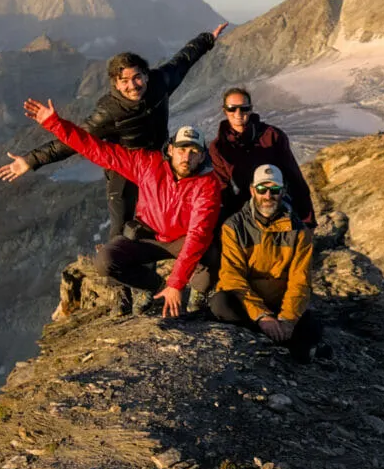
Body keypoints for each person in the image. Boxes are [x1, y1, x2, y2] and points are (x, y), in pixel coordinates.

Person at [0, 24, 228, 237]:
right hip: (122, 168)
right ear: (115, 84)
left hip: (157, 165)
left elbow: (183, 60)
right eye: (124, 81)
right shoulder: (108, 111)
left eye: (137, 77)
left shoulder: (160, 82)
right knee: (121, 226)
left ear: (146, 75)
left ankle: (148, 271)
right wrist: (31, 160)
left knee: (153, 221)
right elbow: (77, 141)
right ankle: (118, 270)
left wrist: (207, 39)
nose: (132, 85)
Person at [24, 97, 221, 317]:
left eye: (194, 152)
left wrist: (177, 283)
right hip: (149, 235)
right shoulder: (148, 164)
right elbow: (99, 151)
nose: (187, 157)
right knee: (106, 261)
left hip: (180, 240)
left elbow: (197, 234)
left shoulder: (208, 184)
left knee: (210, 251)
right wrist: (55, 124)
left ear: (202, 156)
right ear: (171, 150)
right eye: (182, 149)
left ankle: (197, 295)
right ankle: (154, 287)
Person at [209, 163, 327, 363]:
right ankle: (273, 337)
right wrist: (262, 316)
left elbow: (300, 280)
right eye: (262, 189)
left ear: (283, 192)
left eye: (274, 190)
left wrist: (287, 320)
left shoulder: (299, 232)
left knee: (312, 326)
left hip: (278, 303)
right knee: (221, 303)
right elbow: (232, 277)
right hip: (247, 304)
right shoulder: (234, 227)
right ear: (252, 190)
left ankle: (272, 336)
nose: (268, 196)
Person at [209, 87, 316, 228]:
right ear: (224, 110)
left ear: (251, 109)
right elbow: (222, 186)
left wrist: (307, 220)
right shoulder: (218, 147)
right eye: (232, 108)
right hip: (242, 208)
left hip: (274, 201)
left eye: (244, 108)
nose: (238, 113)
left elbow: (294, 178)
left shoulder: (272, 136)